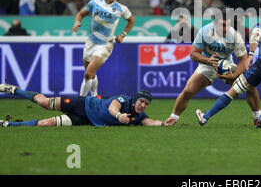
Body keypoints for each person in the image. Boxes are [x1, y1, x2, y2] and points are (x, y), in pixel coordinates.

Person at [165, 15, 261, 126]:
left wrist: (234, 74)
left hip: (227, 65)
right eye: (223, 25)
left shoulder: (235, 36)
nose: (227, 28)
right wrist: (208, 60)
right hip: (207, 65)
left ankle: (258, 118)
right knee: (188, 91)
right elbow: (193, 54)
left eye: (228, 25)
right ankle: (173, 118)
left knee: (249, 83)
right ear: (215, 24)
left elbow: (243, 59)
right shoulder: (205, 32)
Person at [72, 0, 135, 98]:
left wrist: (123, 35)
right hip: (91, 42)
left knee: (87, 74)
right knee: (91, 73)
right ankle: (95, 95)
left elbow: (131, 20)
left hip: (105, 44)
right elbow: (81, 14)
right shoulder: (94, 3)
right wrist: (77, 22)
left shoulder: (121, 8)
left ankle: (80, 101)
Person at [0, 84, 167, 127]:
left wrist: (165, 123)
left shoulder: (139, 116)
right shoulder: (124, 99)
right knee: (44, 102)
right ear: (135, 99)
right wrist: (118, 116)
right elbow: (112, 108)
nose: (143, 105)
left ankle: (8, 124)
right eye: (142, 101)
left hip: (83, 120)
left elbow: (151, 123)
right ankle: (13, 90)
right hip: (82, 104)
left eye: (146, 104)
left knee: (46, 124)